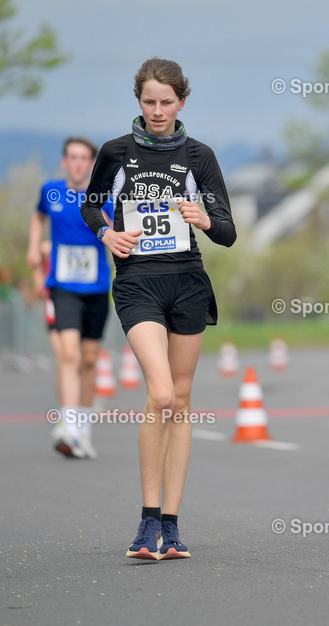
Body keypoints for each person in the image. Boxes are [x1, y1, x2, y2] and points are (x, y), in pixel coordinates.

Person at [81, 57, 236, 560]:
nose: (157, 111)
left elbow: (228, 232)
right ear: (139, 102)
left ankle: (171, 526)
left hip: (187, 282)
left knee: (182, 399)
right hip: (137, 284)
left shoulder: (199, 156)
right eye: (149, 102)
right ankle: (147, 521)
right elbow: (90, 204)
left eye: (167, 102)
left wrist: (204, 219)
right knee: (162, 393)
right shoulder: (116, 151)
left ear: (181, 103)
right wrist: (107, 234)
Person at [27, 136, 112, 460]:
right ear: (64, 162)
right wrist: (33, 247)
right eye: (73, 157)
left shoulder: (102, 196)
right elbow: (38, 217)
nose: (78, 163)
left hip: (96, 288)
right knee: (69, 354)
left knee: (89, 360)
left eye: (84, 158)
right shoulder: (51, 191)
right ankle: (68, 425)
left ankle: (84, 431)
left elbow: (116, 230)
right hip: (63, 287)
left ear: (91, 164)